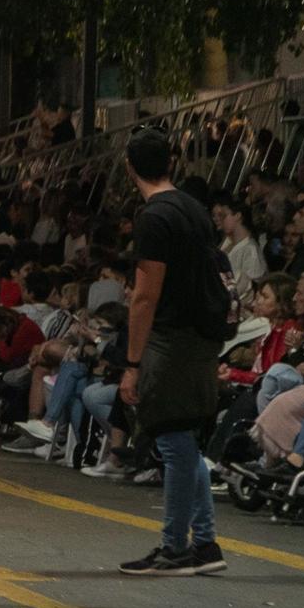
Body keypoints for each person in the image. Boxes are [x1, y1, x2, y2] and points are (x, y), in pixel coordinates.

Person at [118, 125, 228, 576]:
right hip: (202, 334)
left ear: (130, 168)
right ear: (172, 163)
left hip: (173, 337)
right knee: (182, 437)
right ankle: (203, 544)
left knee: (171, 438)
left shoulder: (154, 218)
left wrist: (132, 363)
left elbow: (146, 295)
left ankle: (176, 546)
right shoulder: (193, 209)